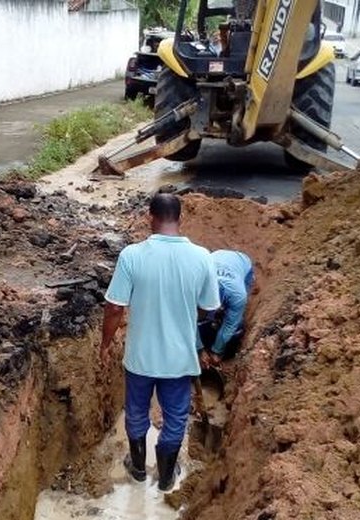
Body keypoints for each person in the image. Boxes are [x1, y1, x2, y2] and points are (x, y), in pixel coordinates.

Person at [100, 193, 220, 492]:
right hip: (179, 360)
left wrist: (105, 343)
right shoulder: (202, 257)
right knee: (176, 416)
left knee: (137, 411)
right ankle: (166, 478)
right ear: (181, 220)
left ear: (149, 217)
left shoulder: (132, 255)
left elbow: (115, 307)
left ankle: (138, 469)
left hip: (140, 358)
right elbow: (209, 307)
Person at [199, 249, 254, 367]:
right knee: (201, 321)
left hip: (242, 262)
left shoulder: (238, 295)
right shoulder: (195, 285)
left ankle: (219, 334)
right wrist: (200, 349)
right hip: (216, 255)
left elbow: (230, 324)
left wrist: (216, 351)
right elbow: (188, 320)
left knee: (236, 323)